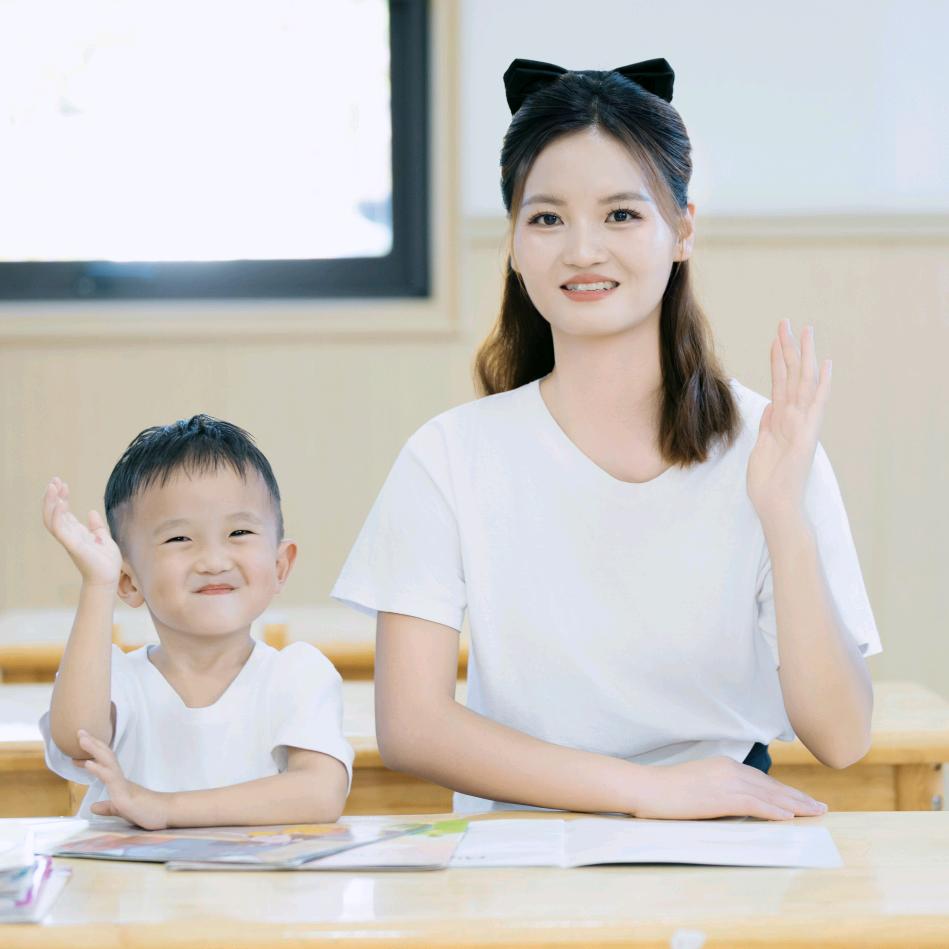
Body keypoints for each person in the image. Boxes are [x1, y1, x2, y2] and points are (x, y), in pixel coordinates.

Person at [331, 57, 882, 820]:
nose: (582, 250)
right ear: (513, 242)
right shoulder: (449, 454)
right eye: (546, 218)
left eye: (621, 214)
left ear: (682, 230)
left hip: (723, 839)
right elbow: (412, 726)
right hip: (520, 850)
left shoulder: (769, 443)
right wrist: (651, 791)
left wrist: (783, 516)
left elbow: (843, 737)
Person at [40, 415, 353, 828]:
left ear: (280, 565)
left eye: (239, 532)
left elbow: (319, 793)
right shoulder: (115, 679)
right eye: (179, 538)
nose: (214, 560)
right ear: (128, 581)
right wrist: (98, 584)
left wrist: (163, 807)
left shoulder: (298, 674)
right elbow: (77, 740)